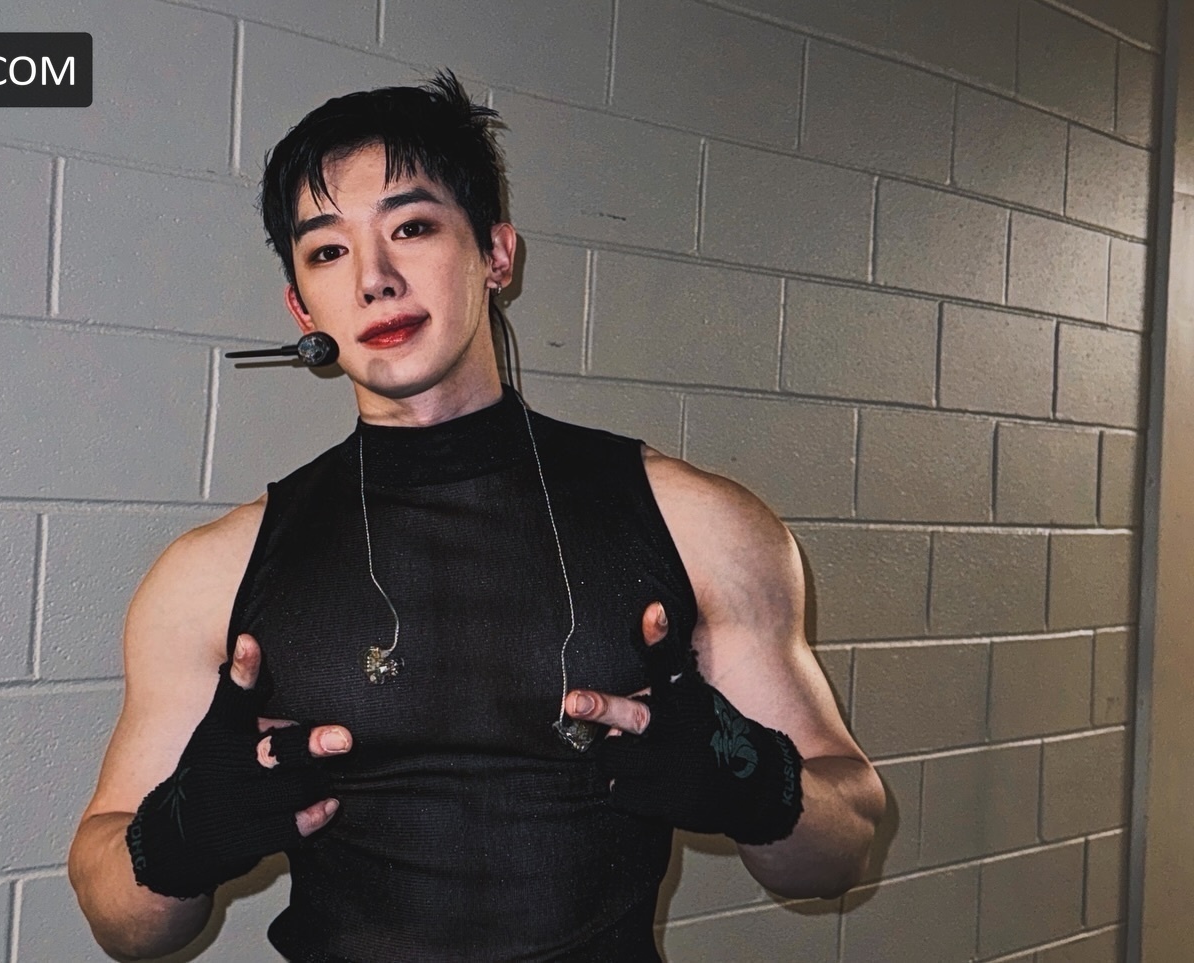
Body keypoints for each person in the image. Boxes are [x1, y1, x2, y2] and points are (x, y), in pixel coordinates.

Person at [68, 71, 885, 962]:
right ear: (302, 306)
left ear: (496, 254)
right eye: (328, 251)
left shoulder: (700, 525)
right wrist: (182, 833)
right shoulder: (212, 574)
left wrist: (754, 779)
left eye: (411, 228)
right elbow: (116, 914)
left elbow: (842, 846)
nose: (375, 280)